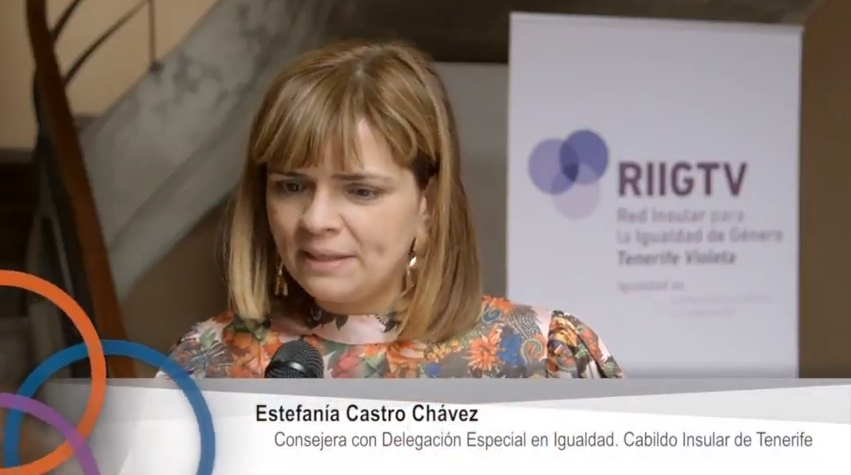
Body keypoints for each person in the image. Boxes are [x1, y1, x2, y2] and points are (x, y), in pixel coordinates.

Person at [158, 39, 623, 379]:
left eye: (360, 191)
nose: (316, 219)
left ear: (428, 204)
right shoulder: (206, 361)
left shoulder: (542, 358)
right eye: (292, 186)